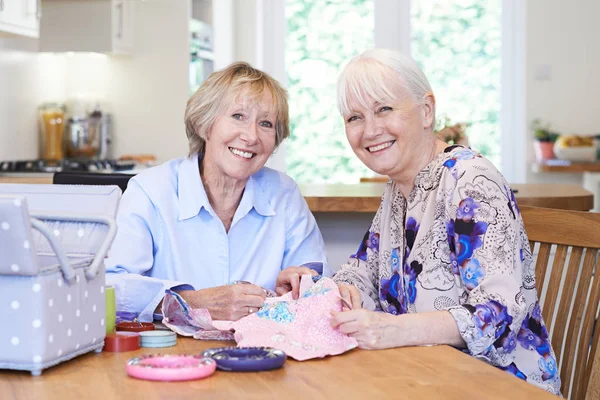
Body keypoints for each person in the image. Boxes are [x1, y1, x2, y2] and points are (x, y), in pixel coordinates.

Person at [327, 49, 560, 394]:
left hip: (499, 387)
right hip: (423, 380)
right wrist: (326, 291)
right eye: (354, 118)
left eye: (384, 109)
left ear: (426, 111)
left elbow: (498, 310)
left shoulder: (470, 180)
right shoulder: (400, 187)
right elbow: (361, 273)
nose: (370, 130)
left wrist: (395, 329)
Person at [106, 62, 328, 322]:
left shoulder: (284, 193)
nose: (251, 136)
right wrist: (190, 303)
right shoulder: (151, 191)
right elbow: (111, 288)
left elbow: (318, 280)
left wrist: (303, 285)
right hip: (171, 354)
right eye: (238, 116)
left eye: (266, 123)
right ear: (204, 124)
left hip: (263, 351)